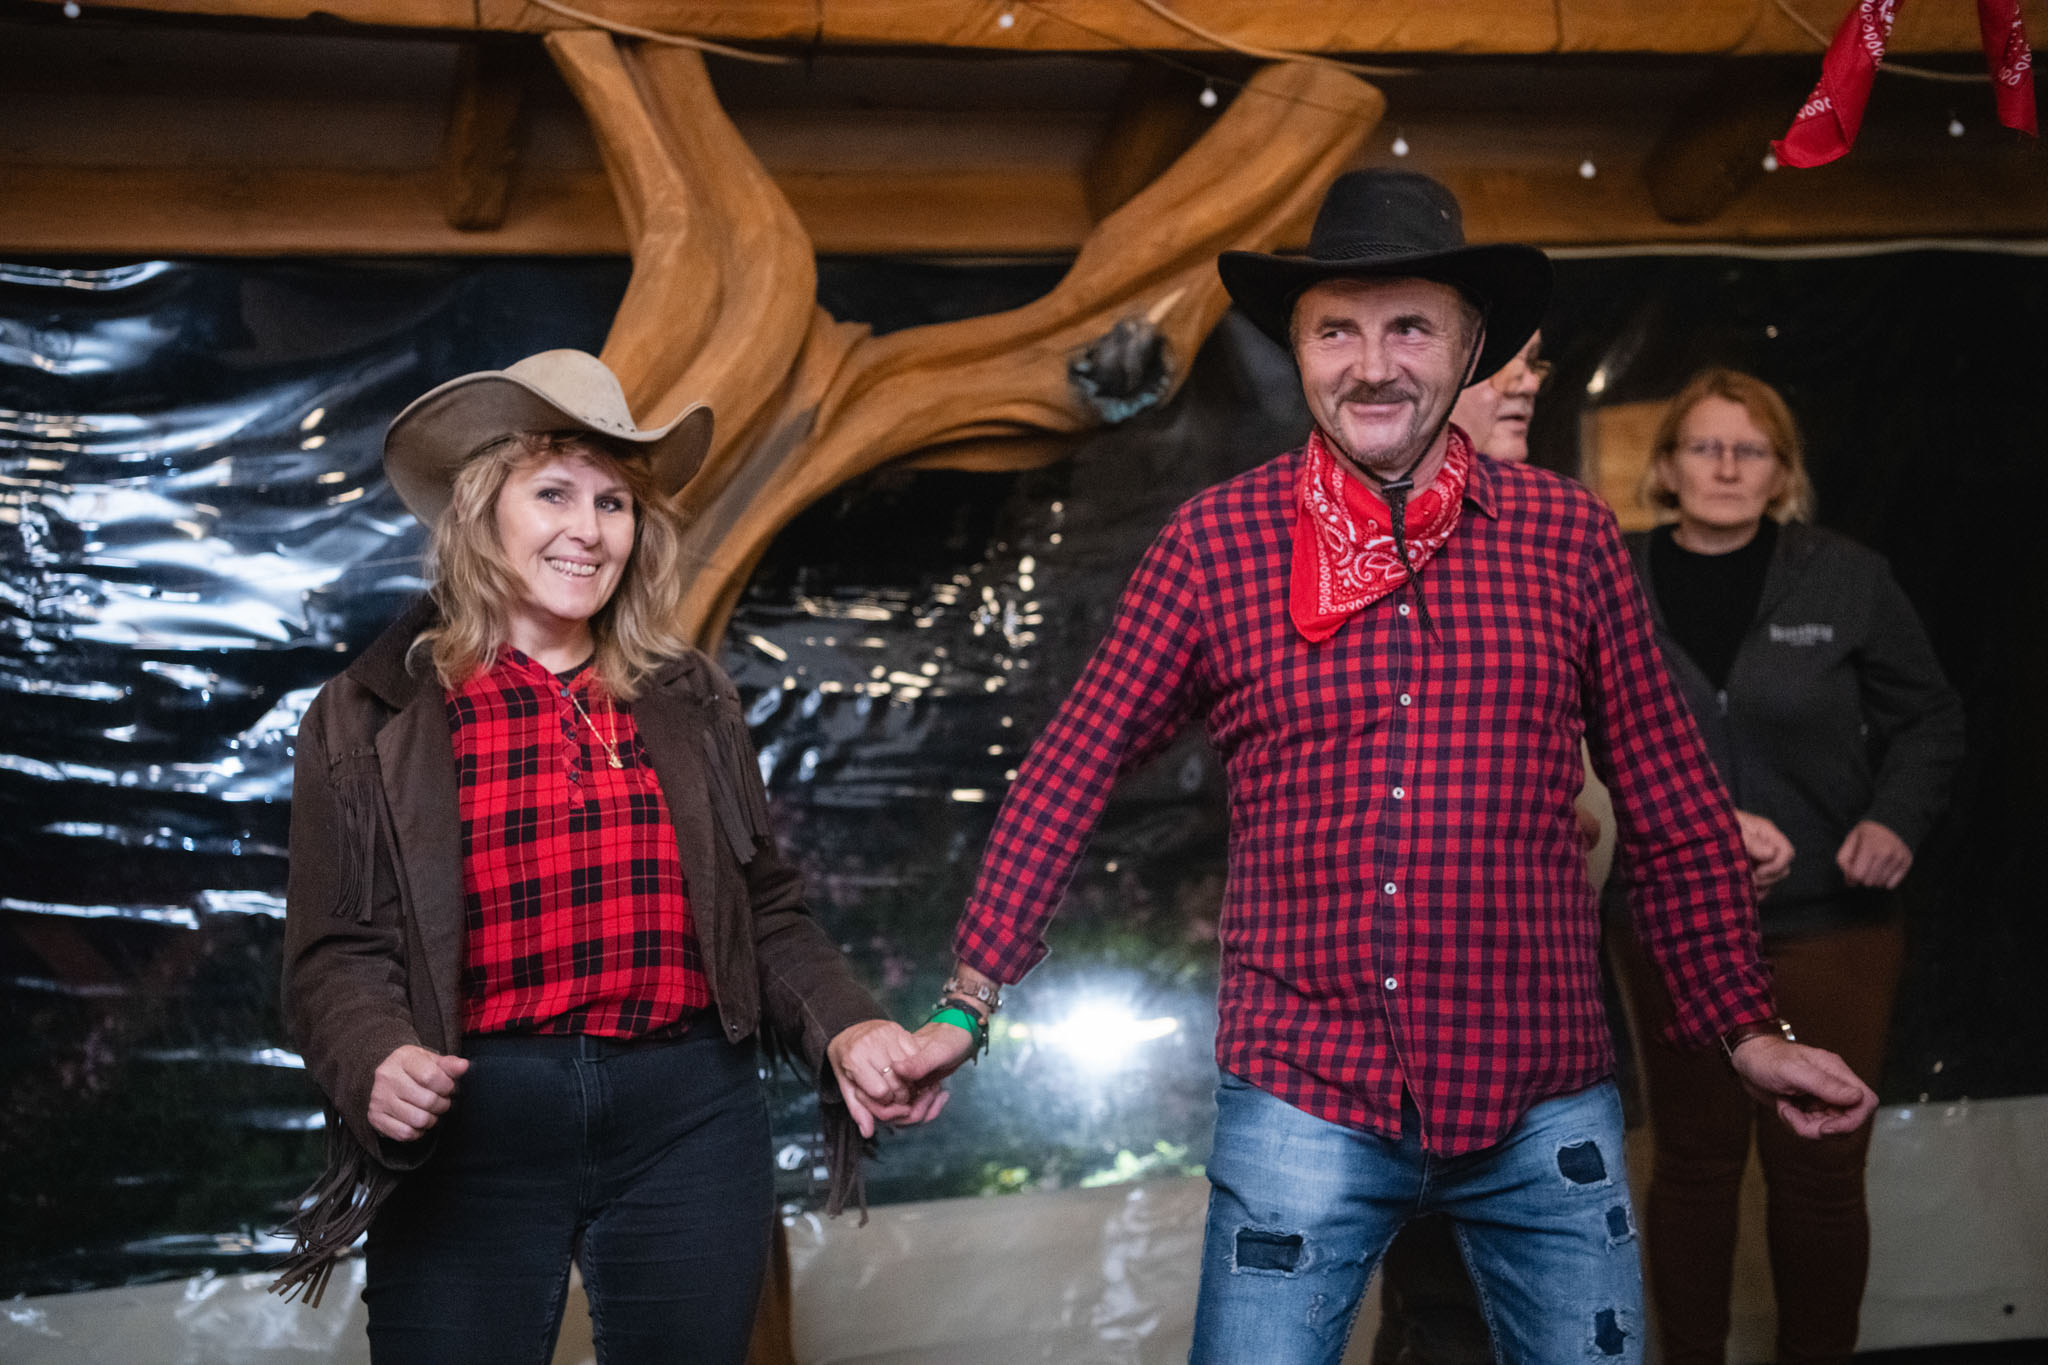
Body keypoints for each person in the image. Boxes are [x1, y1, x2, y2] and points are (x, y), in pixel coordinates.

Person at [895, 170, 1877, 1365]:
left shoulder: (1566, 539)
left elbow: (1670, 807)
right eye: (1335, 332)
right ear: (1297, 353)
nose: (1371, 366)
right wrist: (968, 997)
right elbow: (1071, 767)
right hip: (1305, 1094)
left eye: (1408, 327)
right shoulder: (1214, 545)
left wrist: (1743, 1029)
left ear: (1468, 351)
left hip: (1539, 1095)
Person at [269, 350, 942, 1364]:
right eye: (553, 494)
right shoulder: (370, 712)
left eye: (613, 502)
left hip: (688, 1120)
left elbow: (762, 912)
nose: (588, 529)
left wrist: (847, 1028)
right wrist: (376, 1058)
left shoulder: (690, 698)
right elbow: (332, 953)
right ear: (481, 512)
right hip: (474, 1124)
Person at [1619, 368, 1963, 1365]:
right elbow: (1575, 741)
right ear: (1666, 467)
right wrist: (1701, 825)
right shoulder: (1611, 578)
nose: (1726, 466)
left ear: (1780, 472)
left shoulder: (1844, 576)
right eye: (1704, 446)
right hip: (1669, 918)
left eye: (1750, 450)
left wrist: (1893, 820)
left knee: (1818, 1172)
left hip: (1828, 920)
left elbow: (1930, 719)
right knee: (1693, 1164)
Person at [1369, 323, 1556, 1365]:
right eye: (1503, 364)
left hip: (1537, 987)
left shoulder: (1557, 530)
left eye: (1535, 363)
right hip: (1415, 990)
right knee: (1439, 1284)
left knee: (1504, 1285)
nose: (1525, 383)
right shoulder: (1373, 542)